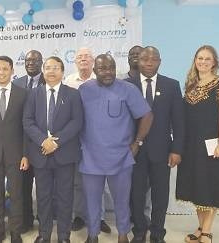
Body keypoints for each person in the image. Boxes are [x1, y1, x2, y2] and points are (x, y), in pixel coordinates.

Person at [79, 54, 153, 243]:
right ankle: (93, 234)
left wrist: (137, 143)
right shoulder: (84, 89)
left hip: (121, 156)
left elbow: (146, 115)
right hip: (90, 156)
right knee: (91, 200)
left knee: (121, 200)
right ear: (94, 71)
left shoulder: (128, 89)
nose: (108, 72)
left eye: (111, 68)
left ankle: (122, 234)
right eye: (103, 68)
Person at [126, 47, 184, 243]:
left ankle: (158, 233)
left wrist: (176, 149)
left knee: (160, 195)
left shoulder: (171, 85)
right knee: (136, 194)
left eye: (153, 59)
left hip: (162, 151)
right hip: (134, 151)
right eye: (145, 59)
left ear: (160, 61)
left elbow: (179, 121)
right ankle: (140, 232)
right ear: (138, 62)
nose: (149, 63)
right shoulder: (127, 85)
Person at [176, 45, 219, 243]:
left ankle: (207, 231)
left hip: (213, 146)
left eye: (207, 59)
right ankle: (201, 227)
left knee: (211, 186)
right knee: (197, 188)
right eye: (200, 58)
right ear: (195, 60)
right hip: (192, 146)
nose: (203, 62)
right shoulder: (190, 85)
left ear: (214, 62)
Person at [23, 56, 83, 243]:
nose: (51, 71)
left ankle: (64, 236)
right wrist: (43, 141)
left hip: (65, 154)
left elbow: (77, 122)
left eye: (55, 67)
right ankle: (44, 234)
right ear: (43, 71)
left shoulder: (73, 94)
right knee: (43, 197)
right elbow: (28, 121)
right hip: (41, 154)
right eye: (47, 67)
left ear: (62, 71)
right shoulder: (33, 94)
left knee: (65, 197)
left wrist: (56, 142)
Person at [0, 56, 29, 243]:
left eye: (5, 69)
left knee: (16, 194)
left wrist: (26, 154)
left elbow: (26, 127)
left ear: (11, 71)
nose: (1, 72)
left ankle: (15, 231)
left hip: (16, 154)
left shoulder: (23, 94)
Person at [65, 47, 112, 233]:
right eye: (79, 57)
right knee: (77, 181)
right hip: (75, 139)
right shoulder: (68, 81)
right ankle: (79, 215)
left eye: (87, 57)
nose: (83, 59)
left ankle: (98, 218)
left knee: (97, 181)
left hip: (98, 139)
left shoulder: (102, 80)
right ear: (75, 62)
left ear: (93, 62)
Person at [12, 50, 43, 234]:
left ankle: (45, 220)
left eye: (35, 60)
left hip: (43, 144)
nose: (30, 63)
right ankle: (26, 220)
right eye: (28, 60)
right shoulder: (17, 83)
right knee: (23, 186)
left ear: (41, 62)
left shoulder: (50, 81)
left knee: (44, 187)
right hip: (21, 145)